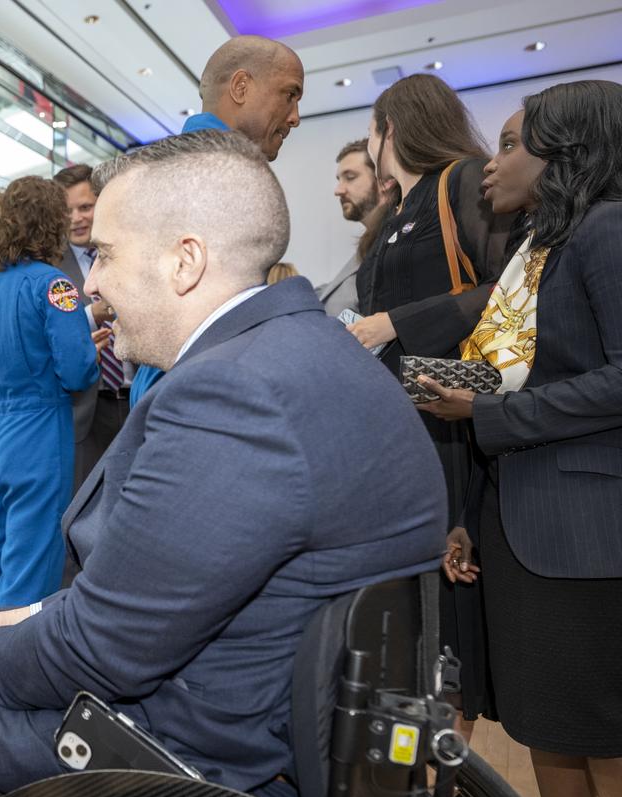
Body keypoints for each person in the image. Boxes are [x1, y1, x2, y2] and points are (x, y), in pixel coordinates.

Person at [0, 131, 447, 797]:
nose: (90, 282)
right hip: (286, 735)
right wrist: (23, 616)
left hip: (186, 767)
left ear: (185, 260)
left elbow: (100, 650)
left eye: (106, 253)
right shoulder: (321, 357)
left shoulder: (233, 391)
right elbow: (178, 585)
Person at [417, 81, 622, 797]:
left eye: (511, 145)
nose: (490, 165)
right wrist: (471, 513)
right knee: (550, 730)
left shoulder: (607, 231)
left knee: (603, 739)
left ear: (565, 152)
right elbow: (517, 375)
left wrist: (487, 415)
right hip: (521, 520)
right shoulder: (538, 249)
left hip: (585, 534)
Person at [350, 73, 515, 723]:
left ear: (391, 126)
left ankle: (447, 775)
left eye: (371, 127)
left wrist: (397, 323)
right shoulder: (393, 215)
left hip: (455, 420)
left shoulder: (463, 181)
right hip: (401, 424)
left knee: (452, 605)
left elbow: (510, 293)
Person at [130, 34, 304, 405]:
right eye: (289, 95)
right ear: (241, 86)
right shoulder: (215, 169)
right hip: (192, 389)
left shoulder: (183, 162)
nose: (295, 117)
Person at [0, 176, 99, 617]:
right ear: (51, 223)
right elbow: (76, 372)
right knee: (30, 568)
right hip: (39, 435)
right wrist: (89, 349)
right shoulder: (55, 285)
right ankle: (3, 676)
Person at [52, 163, 132, 493]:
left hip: (134, 398)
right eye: (67, 210)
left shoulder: (129, 252)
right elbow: (48, 334)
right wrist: (90, 316)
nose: (76, 218)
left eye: (85, 207)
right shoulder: (50, 268)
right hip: (84, 407)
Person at [315, 139, 389, 315]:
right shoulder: (371, 242)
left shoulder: (396, 243)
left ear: (384, 180)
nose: (338, 190)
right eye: (339, 180)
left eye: (350, 177)